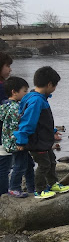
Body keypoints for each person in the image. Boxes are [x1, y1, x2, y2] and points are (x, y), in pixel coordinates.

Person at [14, 66, 69, 199]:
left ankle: (53, 183)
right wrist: (21, 139)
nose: (55, 89)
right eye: (55, 86)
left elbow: (43, 122)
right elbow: (28, 122)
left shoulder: (37, 98)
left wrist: (53, 132)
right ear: (50, 84)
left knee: (51, 161)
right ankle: (39, 190)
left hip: (44, 140)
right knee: (44, 164)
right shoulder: (36, 101)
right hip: (37, 141)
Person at [0, 77, 35, 197]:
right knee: (20, 165)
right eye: (24, 91)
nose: (26, 94)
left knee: (28, 164)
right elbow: (18, 127)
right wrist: (21, 141)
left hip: (8, 141)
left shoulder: (4, 105)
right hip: (18, 143)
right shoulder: (16, 108)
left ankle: (32, 187)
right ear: (14, 92)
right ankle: (14, 188)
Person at [0, 53, 14, 195]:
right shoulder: (2, 88)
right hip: (3, 134)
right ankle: (3, 197)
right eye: (8, 66)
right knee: (4, 167)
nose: (10, 70)